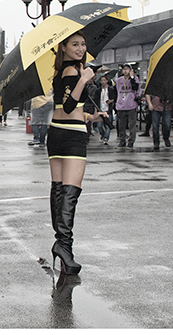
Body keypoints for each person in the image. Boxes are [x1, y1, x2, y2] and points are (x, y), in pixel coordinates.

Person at [48, 31, 105, 277]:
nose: (81, 48)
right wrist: (83, 80)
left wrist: (91, 116)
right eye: (75, 44)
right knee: (70, 192)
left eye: (83, 44)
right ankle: (64, 246)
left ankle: (61, 244)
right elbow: (70, 105)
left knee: (59, 190)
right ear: (64, 47)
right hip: (72, 136)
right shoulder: (73, 71)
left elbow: (66, 107)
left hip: (56, 132)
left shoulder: (62, 71)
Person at [114, 64, 140, 148]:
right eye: (124, 69)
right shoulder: (119, 80)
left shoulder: (135, 79)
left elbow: (136, 88)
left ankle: (131, 141)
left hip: (131, 105)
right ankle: (122, 140)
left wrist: (132, 78)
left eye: (127, 69)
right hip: (121, 105)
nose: (125, 71)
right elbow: (116, 91)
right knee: (121, 124)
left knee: (132, 124)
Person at [92, 76, 115, 145]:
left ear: (107, 81)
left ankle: (106, 138)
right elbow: (95, 100)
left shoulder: (111, 89)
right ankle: (103, 134)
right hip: (100, 109)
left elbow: (114, 98)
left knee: (108, 125)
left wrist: (110, 101)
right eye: (101, 80)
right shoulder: (98, 90)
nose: (103, 82)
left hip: (108, 109)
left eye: (104, 80)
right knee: (99, 125)